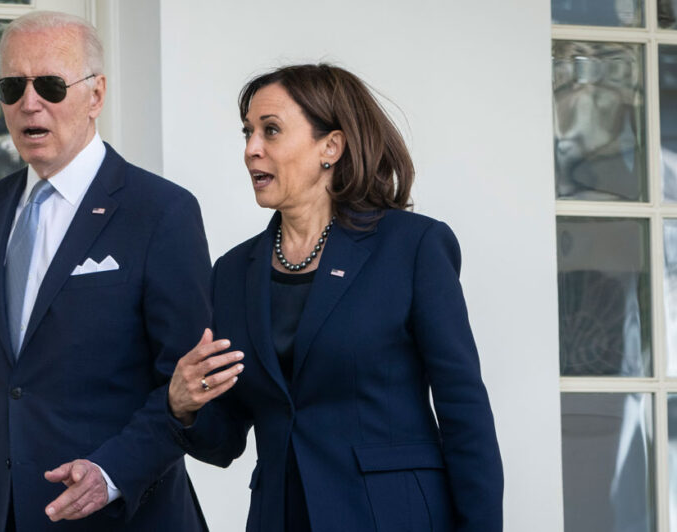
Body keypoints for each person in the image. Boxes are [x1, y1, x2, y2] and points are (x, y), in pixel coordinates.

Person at [167, 64, 504, 532]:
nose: (251, 150)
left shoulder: (413, 247)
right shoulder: (232, 272)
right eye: (247, 132)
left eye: (271, 131)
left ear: (331, 147)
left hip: (391, 515)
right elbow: (224, 439)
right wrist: (184, 405)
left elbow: (464, 408)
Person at [0, 11, 211, 532]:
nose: (29, 103)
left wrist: (111, 473)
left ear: (96, 95)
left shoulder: (161, 212)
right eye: (13, 87)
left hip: (127, 519)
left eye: (51, 86)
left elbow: (193, 388)